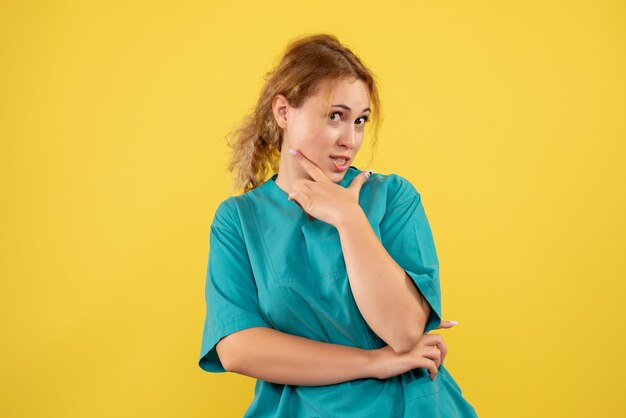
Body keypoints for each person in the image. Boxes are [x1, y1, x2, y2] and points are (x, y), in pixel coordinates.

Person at [198, 33, 478, 417]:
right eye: (335, 116)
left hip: (409, 406)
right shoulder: (239, 220)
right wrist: (373, 363)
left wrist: (350, 219)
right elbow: (238, 348)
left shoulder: (392, 198)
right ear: (283, 112)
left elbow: (404, 331)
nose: (351, 139)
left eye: (360, 121)